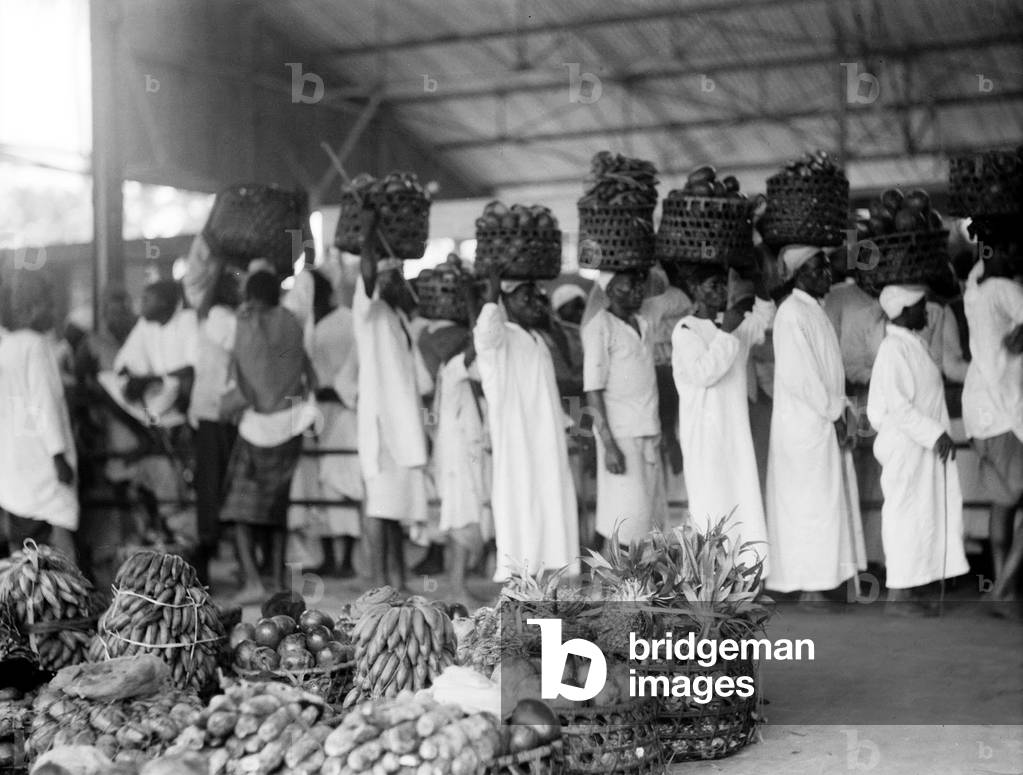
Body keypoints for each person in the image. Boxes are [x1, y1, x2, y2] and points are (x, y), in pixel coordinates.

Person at [766, 245, 866, 603]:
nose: (827, 273)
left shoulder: (813, 310)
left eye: (826, 267)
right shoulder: (791, 313)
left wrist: (837, 411)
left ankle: (824, 582)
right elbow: (802, 378)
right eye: (817, 268)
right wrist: (834, 411)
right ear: (797, 275)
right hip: (805, 426)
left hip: (820, 421)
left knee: (823, 504)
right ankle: (810, 589)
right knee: (809, 507)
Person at [867, 285, 970, 615]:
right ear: (902, 311)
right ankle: (898, 596)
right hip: (906, 445)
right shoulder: (892, 349)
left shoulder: (912, 344)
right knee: (904, 514)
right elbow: (898, 405)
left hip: (919, 446)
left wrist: (934, 435)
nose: (926, 312)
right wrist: (935, 433)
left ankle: (916, 585)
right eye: (920, 307)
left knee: (922, 514)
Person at [472, 267, 581, 580]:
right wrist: (492, 293)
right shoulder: (500, 338)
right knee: (523, 519)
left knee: (551, 518)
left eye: (538, 295)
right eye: (525, 296)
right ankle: (521, 593)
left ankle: (548, 590)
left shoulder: (536, 337)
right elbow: (485, 332)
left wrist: (572, 427)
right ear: (506, 300)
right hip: (519, 449)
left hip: (548, 445)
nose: (535, 302)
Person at [220, 270, 317, 603]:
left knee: (240, 512)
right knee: (277, 509)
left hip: (255, 428)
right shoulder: (292, 322)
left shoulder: (247, 322)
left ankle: (252, 581)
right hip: (290, 426)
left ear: (251, 295)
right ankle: (276, 579)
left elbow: (242, 373)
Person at [671, 260, 774, 569]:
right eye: (711, 285)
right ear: (694, 290)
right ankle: (710, 579)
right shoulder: (685, 330)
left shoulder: (733, 324)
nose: (719, 291)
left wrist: (759, 278)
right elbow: (704, 373)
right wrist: (727, 332)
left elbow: (766, 320)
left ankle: (744, 575)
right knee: (711, 504)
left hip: (734, 432)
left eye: (722, 285)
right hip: (704, 436)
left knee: (740, 499)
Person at [354, 213, 431, 590]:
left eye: (398, 277)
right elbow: (366, 275)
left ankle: (398, 581)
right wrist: (369, 231)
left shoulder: (400, 317)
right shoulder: (367, 311)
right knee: (379, 508)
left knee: (396, 510)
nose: (395, 284)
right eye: (388, 278)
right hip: (382, 428)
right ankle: (379, 582)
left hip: (406, 430)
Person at [583, 269, 667, 547]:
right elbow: (592, 391)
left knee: (646, 517)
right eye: (628, 286)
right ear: (610, 291)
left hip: (646, 428)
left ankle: (633, 584)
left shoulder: (642, 322)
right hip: (620, 435)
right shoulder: (600, 326)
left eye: (638, 285)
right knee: (625, 516)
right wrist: (608, 444)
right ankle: (618, 585)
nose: (637, 291)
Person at [961, 238, 1023, 613]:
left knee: (1004, 504)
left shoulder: (975, 291)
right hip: (1005, 413)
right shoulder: (1004, 288)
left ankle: (1005, 590)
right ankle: (1002, 588)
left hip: (978, 414)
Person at [288, 269, 363, 578]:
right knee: (319, 482)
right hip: (314, 415)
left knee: (340, 481)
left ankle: (347, 560)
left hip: (343, 411)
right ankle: (329, 556)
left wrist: (334, 390)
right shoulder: (306, 326)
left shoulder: (348, 320)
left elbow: (355, 370)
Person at [0, 272, 78, 559]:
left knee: (20, 550)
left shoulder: (6, 347)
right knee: (59, 539)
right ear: (30, 309)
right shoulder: (36, 345)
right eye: (49, 304)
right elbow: (43, 402)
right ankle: (75, 599)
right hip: (43, 462)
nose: (54, 311)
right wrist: (59, 456)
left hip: (14, 466)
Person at [188, 268, 242, 585]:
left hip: (214, 411)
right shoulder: (223, 316)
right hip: (214, 412)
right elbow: (243, 345)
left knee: (215, 487)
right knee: (213, 489)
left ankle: (213, 558)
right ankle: (205, 562)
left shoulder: (214, 315)